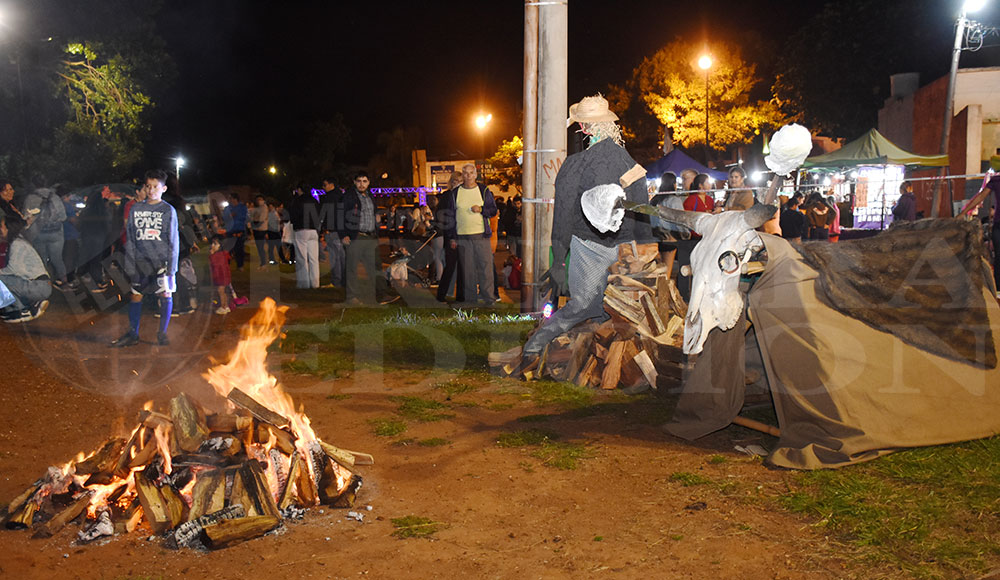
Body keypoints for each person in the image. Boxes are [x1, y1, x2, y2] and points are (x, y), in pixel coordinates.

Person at [519, 94, 653, 365]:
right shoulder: (632, 166)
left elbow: (563, 218)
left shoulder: (575, 166)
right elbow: (643, 212)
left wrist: (558, 260)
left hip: (589, 246)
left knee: (584, 305)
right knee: (612, 305)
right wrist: (645, 252)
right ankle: (599, 360)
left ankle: (537, 346)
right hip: (625, 249)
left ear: (583, 128)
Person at [111, 169, 179, 347]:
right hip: (141, 261)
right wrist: (130, 262)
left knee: (165, 295)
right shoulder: (136, 208)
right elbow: (131, 237)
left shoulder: (167, 210)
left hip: (161, 262)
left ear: (163, 188)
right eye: (148, 186)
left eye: (155, 186)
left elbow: (173, 239)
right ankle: (133, 333)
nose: (151, 190)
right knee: (136, 296)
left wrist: (171, 268)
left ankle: (162, 333)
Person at [437, 163, 498, 305]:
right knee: (467, 270)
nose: (468, 176)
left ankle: (489, 299)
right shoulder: (455, 193)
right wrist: (452, 238)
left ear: (476, 175)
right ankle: (471, 301)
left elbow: (493, 210)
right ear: (462, 175)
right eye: (465, 173)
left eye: (471, 173)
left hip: (481, 235)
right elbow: (451, 217)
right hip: (462, 237)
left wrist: (481, 209)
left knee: (485, 267)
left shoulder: (483, 190)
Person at [0, 214, 51, 322]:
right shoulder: (16, 242)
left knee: (2, 279)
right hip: (38, 285)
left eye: (2, 226)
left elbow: (13, 269)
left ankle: (20, 310)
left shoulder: (17, 244)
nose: (0, 229)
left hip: (38, 286)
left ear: (10, 228)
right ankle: (28, 307)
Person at [342, 171, 381, 304]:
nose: (362, 184)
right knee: (352, 268)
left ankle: (372, 295)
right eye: (359, 181)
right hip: (356, 236)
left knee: (373, 268)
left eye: (364, 181)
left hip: (370, 236)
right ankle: (351, 297)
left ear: (369, 183)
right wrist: (344, 234)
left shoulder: (371, 196)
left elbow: (374, 212)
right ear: (354, 182)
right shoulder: (349, 196)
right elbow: (340, 215)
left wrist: (377, 218)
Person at [22, 180, 68, 288]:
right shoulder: (55, 197)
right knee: (57, 259)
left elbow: (25, 217)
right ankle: (65, 282)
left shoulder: (30, 198)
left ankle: (46, 285)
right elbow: (63, 217)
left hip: (38, 234)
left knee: (41, 259)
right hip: (56, 233)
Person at [436, 172, 465, 302]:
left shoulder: (463, 196)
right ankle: (441, 294)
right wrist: (451, 237)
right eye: (455, 181)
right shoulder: (447, 196)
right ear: (451, 182)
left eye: (460, 181)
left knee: (462, 267)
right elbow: (444, 218)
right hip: (451, 236)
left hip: (463, 235)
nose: (457, 184)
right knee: (451, 266)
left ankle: (460, 295)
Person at [288, 182, 321, 289]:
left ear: (300, 189)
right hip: (313, 230)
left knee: (302, 258)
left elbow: (293, 216)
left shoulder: (297, 201)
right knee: (314, 259)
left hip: (301, 230)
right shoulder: (315, 201)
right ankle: (315, 283)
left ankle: (304, 283)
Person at [320, 178, 346, 287]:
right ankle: (343, 281)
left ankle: (336, 281)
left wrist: (324, 229)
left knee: (334, 257)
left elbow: (325, 214)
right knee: (342, 257)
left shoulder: (329, 198)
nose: (323, 187)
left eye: (325, 184)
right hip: (342, 230)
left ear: (331, 184)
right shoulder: (342, 196)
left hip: (333, 230)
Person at [222, 192, 248, 270]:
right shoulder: (227, 208)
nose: (229, 200)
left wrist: (233, 216)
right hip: (230, 230)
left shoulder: (242, 207)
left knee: (239, 249)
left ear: (235, 199)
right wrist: (231, 216)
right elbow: (225, 218)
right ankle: (227, 265)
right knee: (228, 249)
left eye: (230, 198)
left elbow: (243, 217)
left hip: (239, 230)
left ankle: (240, 265)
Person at [250, 194, 270, 270]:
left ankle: (264, 263)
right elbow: (251, 217)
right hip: (256, 229)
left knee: (261, 247)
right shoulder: (256, 208)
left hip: (261, 230)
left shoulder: (264, 208)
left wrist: (255, 220)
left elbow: (261, 219)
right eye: (257, 199)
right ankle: (263, 262)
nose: (259, 201)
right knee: (259, 247)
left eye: (260, 199)